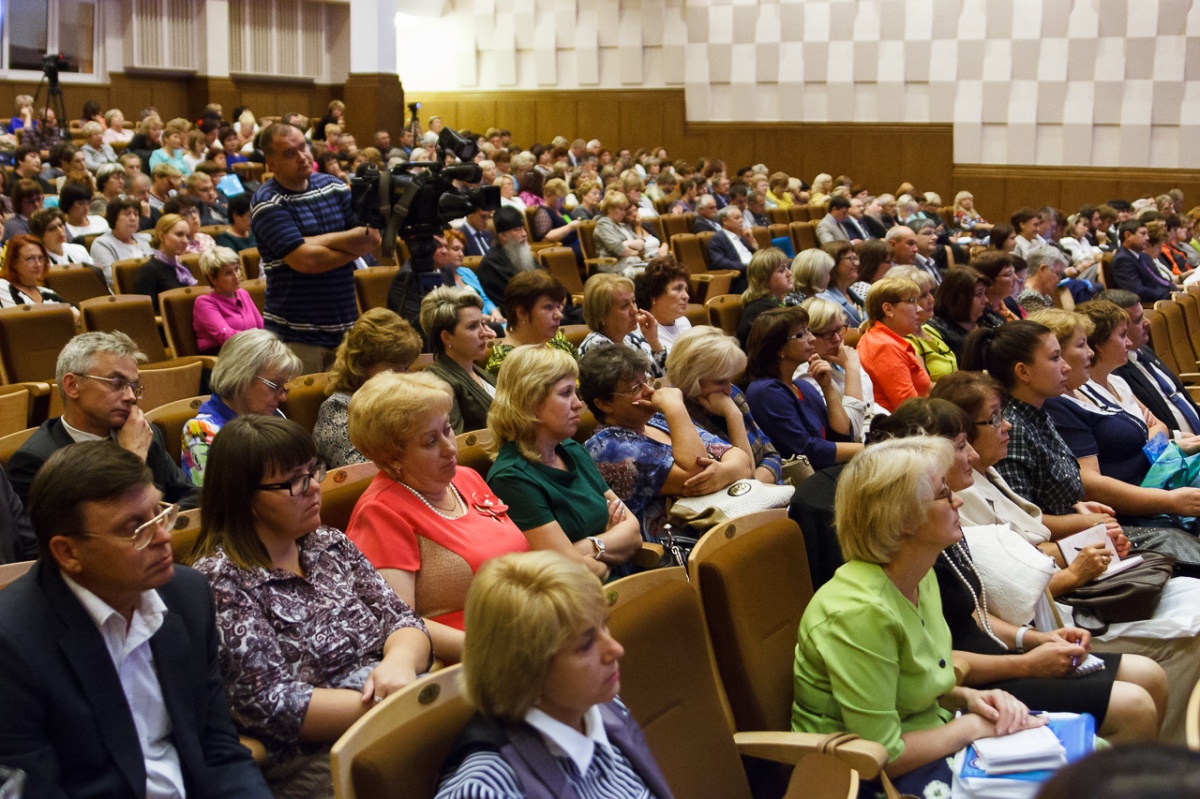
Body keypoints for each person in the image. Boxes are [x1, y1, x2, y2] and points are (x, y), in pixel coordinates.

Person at [0, 441, 272, 798]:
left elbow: (218, 748)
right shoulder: (13, 644)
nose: (164, 536)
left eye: (159, 513)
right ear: (67, 552)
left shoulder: (187, 595)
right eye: (135, 528)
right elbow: (36, 790)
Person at [191, 415, 432, 797]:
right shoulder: (220, 580)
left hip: (397, 704)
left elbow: (402, 619)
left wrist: (399, 664)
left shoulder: (328, 543)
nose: (315, 487)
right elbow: (271, 703)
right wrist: (392, 705)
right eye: (296, 481)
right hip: (317, 754)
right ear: (245, 498)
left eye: (312, 471)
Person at [792, 436, 1046, 795]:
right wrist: (971, 726)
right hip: (855, 778)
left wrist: (969, 698)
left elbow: (917, 682)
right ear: (903, 519)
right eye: (943, 494)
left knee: (1079, 760)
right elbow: (882, 754)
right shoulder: (860, 613)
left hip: (929, 736)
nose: (958, 500)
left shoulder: (919, 574)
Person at [434, 551, 675, 799]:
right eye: (585, 645)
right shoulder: (488, 790)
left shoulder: (605, 709)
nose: (616, 649)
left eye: (604, 624)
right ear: (524, 670)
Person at [345, 372, 529, 664]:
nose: (450, 448)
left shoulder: (466, 478)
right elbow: (399, 623)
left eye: (447, 429)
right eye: (431, 441)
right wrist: (491, 651)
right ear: (392, 457)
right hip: (475, 658)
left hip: (530, 627)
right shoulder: (380, 513)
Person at [487, 346, 643, 579]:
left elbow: (633, 532)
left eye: (575, 392)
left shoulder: (572, 450)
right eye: (565, 393)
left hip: (623, 582)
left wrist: (591, 548)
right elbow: (571, 572)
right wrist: (609, 548)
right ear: (530, 402)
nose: (578, 403)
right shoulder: (511, 478)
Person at [8, 331, 200, 508]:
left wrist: (163, 520)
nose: (130, 396)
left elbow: (194, 496)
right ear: (72, 385)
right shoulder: (36, 461)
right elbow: (98, 526)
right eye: (117, 383)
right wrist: (132, 459)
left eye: (134, 387)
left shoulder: (144, 433)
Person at [581, 344, 753, 541]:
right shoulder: (608, 446)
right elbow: (697, 472)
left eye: (646, 380)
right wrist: (676, 408)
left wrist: (726, 472)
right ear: (604, 404)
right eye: (635, 388)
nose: (648, 390)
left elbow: (741, 458)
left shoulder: (657, 419)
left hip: (720, 527)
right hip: (677, 550)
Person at [251, 123, 380, 373]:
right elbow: (306, 262)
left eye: (303, 147)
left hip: (345, 330)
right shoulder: (267, 202)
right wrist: (350, 245)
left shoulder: (334, 186)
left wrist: (311, 241)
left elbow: (370, 238)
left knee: (347, 400)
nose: (302, 157)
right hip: (296, 337)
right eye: (290, 153)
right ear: (272, 163)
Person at [745, 306, 863, 468]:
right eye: (801, 334)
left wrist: (828, 387)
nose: (812, 338)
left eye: (809, 331)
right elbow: (806, 451)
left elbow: (842, 435)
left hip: (830, 469)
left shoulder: (803, 387)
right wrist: (866, 449)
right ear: (780, 349)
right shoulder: (766, 392)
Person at [182, 329, 301, 485]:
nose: (283, 397)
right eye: (274, 385)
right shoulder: (200, 432)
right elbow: (216, 497)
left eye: (284, 387)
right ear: (241, 376)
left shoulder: (275, 416)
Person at [669, 325, 783, 484]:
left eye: (730, 379)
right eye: (720, 381)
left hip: (771, 490)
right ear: (691, 378)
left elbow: (772, 455)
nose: (729, 390)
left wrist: (756, 484)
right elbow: (742, 479)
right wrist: (733, 415)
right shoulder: (678, 417)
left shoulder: (732, 394)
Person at [313, 308, 422, 468]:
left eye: (405, 368)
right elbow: (364, 474)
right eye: (394, 369)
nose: (402, 377)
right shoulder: (338, 410)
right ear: (362, 365)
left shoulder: (399, 402)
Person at [798, 296, 881, 440]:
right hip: (857, 443)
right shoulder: (806, 373)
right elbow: (852, 430)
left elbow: (870, 403)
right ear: (808, 336)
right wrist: (852, 368)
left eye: (839, 329)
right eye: (827, 333)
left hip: (875, 427)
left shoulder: (839, 357)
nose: (837, 339)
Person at [421, 286, 498, 434]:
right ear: (446, 337)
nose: (484, 333)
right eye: (473, 326)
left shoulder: (478, 370)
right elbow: (456, 441)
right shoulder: (437, 381)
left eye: (483, 323)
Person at [856, 275, 932, 412]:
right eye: (912, 301)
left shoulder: (884, 338)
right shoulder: (884, 347)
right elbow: (909, 409)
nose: (919, 309)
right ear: (888, 309)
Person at [485, 270, 577, 374]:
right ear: (522, 313)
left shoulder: (555, 338)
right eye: (548, 307)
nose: (559, 315)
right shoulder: (504, 363)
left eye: (558, 306)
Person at [578, 273, 667, 378]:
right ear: (601, 314)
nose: (634, 310)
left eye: (633, 301)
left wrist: (654, 341)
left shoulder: (631, 339)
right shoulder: (597, 348)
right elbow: (637, 385)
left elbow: (666, 376)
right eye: (624, 305)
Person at [192, 246, 264, 354]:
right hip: (224, 357)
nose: (236, 276)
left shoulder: (243, 294)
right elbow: (226, 336)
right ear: (212, 278)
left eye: (237, 269)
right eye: (228, 273)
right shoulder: (204, 303)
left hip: (251, 351)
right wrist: (257, 337)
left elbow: (262, 326)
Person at [891, 265, 957, 383]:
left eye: (930, 292)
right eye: (923, 296)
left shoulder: (930, 329)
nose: (932, 299)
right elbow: (923, 388)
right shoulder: (902, 341)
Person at [0, 233, 79, 323]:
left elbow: (78, 315)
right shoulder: (3, 286)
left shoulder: (48, 293)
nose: (38, 264)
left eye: (41, 258)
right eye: (30, 259)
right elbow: (19, 323)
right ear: (14, 263)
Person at [134, 213, 197, 312]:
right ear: (162, 236)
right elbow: (146, 313)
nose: (185, 241)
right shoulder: (148, 271)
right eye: (179, 234)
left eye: (188, 236)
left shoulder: (184, 267)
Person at [90, 196, 153, 286]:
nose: (133, 218)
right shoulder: (102, 244)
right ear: (114, 218)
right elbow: (111, 278)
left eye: (136, 214)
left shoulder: (146, 239)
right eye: (127, 214)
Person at [634, 254, 692, 351]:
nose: (686, 296)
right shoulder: (641, 330)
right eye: (678, 288)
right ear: (654, 295)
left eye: (686, 290)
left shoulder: (683, 322)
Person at [816, 240, 866, 326]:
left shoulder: (853, 294)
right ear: (833, 262)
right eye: (851, 258)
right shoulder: (824, 301)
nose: (857, 263)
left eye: (856, 258)